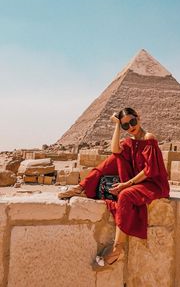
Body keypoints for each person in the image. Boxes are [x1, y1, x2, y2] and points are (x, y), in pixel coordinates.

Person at [58, 107, 170, 270]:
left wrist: (126, 184)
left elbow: (149, 171)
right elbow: (115, 149)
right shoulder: (130, 141)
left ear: (139, 117)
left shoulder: (148, 138)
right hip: (137, 179)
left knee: (124, 195)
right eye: (126, 126)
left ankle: (117, 249)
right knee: (113, 158)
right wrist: (117, 125)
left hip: (153, 183)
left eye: (132, 121)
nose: (131, 126)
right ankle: (82, 186)